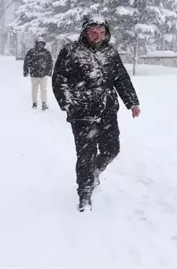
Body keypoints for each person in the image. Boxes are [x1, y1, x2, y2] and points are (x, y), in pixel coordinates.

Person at [52, 15, 141, 212]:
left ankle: (94, 173)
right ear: (85, 32)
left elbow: (121, 79)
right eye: (93, 32)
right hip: (83, 113)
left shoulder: (110, 53)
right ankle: (84, 194)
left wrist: (132, 102)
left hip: (108, 111)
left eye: (102, 33)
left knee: (112, 149)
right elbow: (59, 80)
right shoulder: (71, 52)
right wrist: (69, 104)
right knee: (86, 155)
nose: (98, 36)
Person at [23, 37, 53, 110]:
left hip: (44, 74)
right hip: (34, 74)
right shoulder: (31, 52)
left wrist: (49, 72)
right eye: (39, 44)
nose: (40, 45)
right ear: (36, 44)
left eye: (41, 44)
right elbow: (26, 62)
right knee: (34, 89)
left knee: (44, 89)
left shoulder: (47, 53)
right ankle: (34, 103)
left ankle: (44, 103)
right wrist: (26, 71)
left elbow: (50, 63)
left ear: (44, 44)